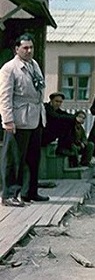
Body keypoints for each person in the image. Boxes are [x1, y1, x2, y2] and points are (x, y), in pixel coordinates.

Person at [0, 33, 49, 207]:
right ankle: (9, 194)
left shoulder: (34, 65)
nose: (29, 51)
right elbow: (4, 96)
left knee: (33, 157)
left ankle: (29, 192)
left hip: (35, 117)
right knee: (14, 159)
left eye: (31, 47)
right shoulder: (9, 68)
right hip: (19, 118)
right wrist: (7, 121)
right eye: (25, 48)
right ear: (17, 49)